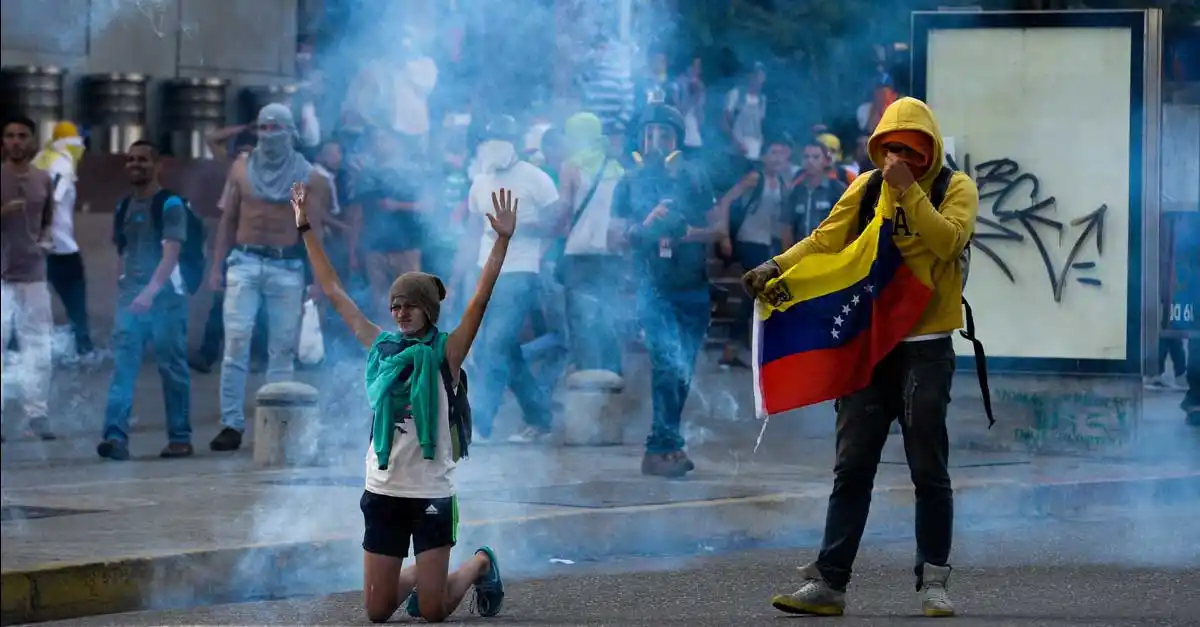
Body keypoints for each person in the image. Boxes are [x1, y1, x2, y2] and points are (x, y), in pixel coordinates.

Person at [746, 97, 979, 617]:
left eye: (908, 151)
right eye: (887, 149)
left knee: (928, 469)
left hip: (926, 350)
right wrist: (774, 266)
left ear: (929, 151)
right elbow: (826, 240)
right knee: (851, 467)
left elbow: (947, 243)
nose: (896, 159)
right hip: (870, 347)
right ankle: (830, 582)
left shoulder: (955, 188)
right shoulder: (867, 184)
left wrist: (909, 192)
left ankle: (934, 582)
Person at [292, 180, 511, 623]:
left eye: (410, 305)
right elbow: (334, 291)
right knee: (376, 612)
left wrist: (502, 240)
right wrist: (306, 228)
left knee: (432, 612)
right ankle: (420, 580)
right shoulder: (380, 347)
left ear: (428, 310)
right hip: (384, 489)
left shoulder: (447, 352)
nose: (400, 312)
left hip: (430, 492)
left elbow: (481, 299)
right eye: (395, 305)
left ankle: (480, 564)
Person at [207, 103, 332, 452]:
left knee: (281, 349)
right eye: (264, 127)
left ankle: (277, 425)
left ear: (291, 131)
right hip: (244, 262)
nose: (269, 133)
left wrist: (319, 279)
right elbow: (228, 220)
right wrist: (216, 266)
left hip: (287, 267)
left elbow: (314, 231)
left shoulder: (309, 177)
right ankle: (231, 424)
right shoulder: (241, 169)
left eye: (277, 127)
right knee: (235, 344)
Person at [612, 102, 719, 478]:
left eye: (664, 134)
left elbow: (717, 229)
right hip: (651, 289)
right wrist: (646, 224)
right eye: (649, 133)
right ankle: (658, 448)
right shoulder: (628, 180)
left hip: (692, 287)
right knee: (666, 364)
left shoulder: (693, 175)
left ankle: (669, 445)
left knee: (683, 369)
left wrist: (689, 233)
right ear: (640, 138)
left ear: (677, 138)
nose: (656, 141)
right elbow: (615, 237)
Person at [458, 115, 557, 443]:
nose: (492, 147)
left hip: (520, 272)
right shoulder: (480, 182)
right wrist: (463, 273)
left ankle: (478, 422)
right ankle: (540, 416)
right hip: (487, 273)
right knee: (503, 349)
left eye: (499, 140)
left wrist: (520, 228)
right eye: (488, 141)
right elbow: (473, 231)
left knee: (495, 345)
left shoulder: (536, 179)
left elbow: (557, 224)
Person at [97, 140, 193, 460]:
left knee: (172, 368)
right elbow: (122, 252)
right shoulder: (123, 206)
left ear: (157, 166)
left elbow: (171, 255)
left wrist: (149, 293)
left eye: (142, 159)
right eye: (130, 159)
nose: (135, 164)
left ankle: (180, 437)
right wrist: (122, 292)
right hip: (131, 299)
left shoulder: (170, 204)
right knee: (122, 369)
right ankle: (115, 437)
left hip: (165, 301)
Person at [0, 115, 57, 441]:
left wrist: (45, 242)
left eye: (22, 135)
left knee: (38, 348)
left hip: (34, 276)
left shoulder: (43, 179)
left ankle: (38, 414)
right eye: (10, 135)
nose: (17, 141)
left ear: (32, 141)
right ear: (3, 142)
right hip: (1, 279)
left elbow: (49, 219)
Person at [714, 138, 792, 369]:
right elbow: (726, 201)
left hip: (767, 244)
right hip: (748, 240)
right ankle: (734, 349)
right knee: (755, 293)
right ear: (764, 157)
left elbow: (782, 221)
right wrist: (724, 235)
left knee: (755, 297)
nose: (777, 158)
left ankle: (734, 350)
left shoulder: (781, 182)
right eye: (773, 153)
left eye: (781, 154)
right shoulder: (754, 178)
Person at [32, 120, 96, 361]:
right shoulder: (62, 163)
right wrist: (46, 233)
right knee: (75, 296)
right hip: (59, 246)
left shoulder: (40, 159)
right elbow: (52, 200)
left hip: (33, 244)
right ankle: (83, 348)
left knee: (24, 299)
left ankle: (14, 349)